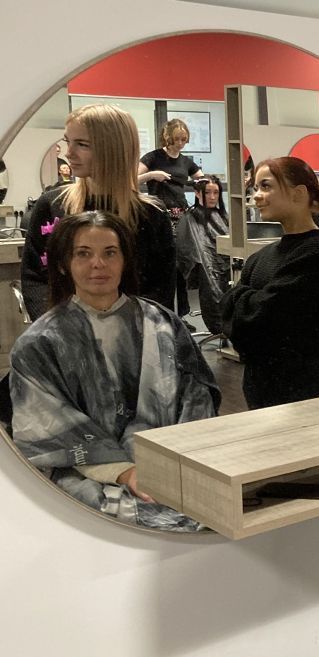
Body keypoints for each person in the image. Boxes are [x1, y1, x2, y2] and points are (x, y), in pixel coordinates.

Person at [8, 211, 219, 531]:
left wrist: (179, 465)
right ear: (64, 263)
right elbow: (46, 427)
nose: (98, 264)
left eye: (110, 253)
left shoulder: (162, 324)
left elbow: (196, 398)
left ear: (125, 260)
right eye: (83, 254)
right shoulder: (39, 344)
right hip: (87, 477)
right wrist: (124, 472)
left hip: (174, 467)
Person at [220, 156, 319, 410]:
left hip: (299, 383)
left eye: (266, 186)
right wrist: (247, 304)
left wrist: (242, 300)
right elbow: (232, 312)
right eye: (256, 188)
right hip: (259, 380)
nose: (257, 196)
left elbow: (267, 315)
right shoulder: (262, 256)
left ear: (299, 193)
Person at [21, 104, 176, 320]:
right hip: (63, 337)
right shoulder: (52, 205)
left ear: (112, 148)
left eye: (82, 144)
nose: (69, 153)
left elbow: (160, 290)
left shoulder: (150, 214)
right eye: (68, 142)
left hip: (131, 337)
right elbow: (35, 278)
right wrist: (57, 330)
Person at [139, 118, 206, 318]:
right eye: (177, 139)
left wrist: (202, 184)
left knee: (180, 266)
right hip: (158, 214)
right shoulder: (153, 158)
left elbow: (202, 179)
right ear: (167, 137)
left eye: (184, 140)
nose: (180, 144)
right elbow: (132, 178)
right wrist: (152, 175)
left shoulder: (186, 162)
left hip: (181, 214)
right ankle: (161, 312)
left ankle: (181, 314)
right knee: (163, 265)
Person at [178, 177, 230, 335]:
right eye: (208, 192)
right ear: (197, 193)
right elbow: (193, 252)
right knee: (212, 283)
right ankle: (220, 327)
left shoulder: (223, 216)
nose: (213, 197)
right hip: (207, 268)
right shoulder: (190, 218)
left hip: (226, 266)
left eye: (216, 192)